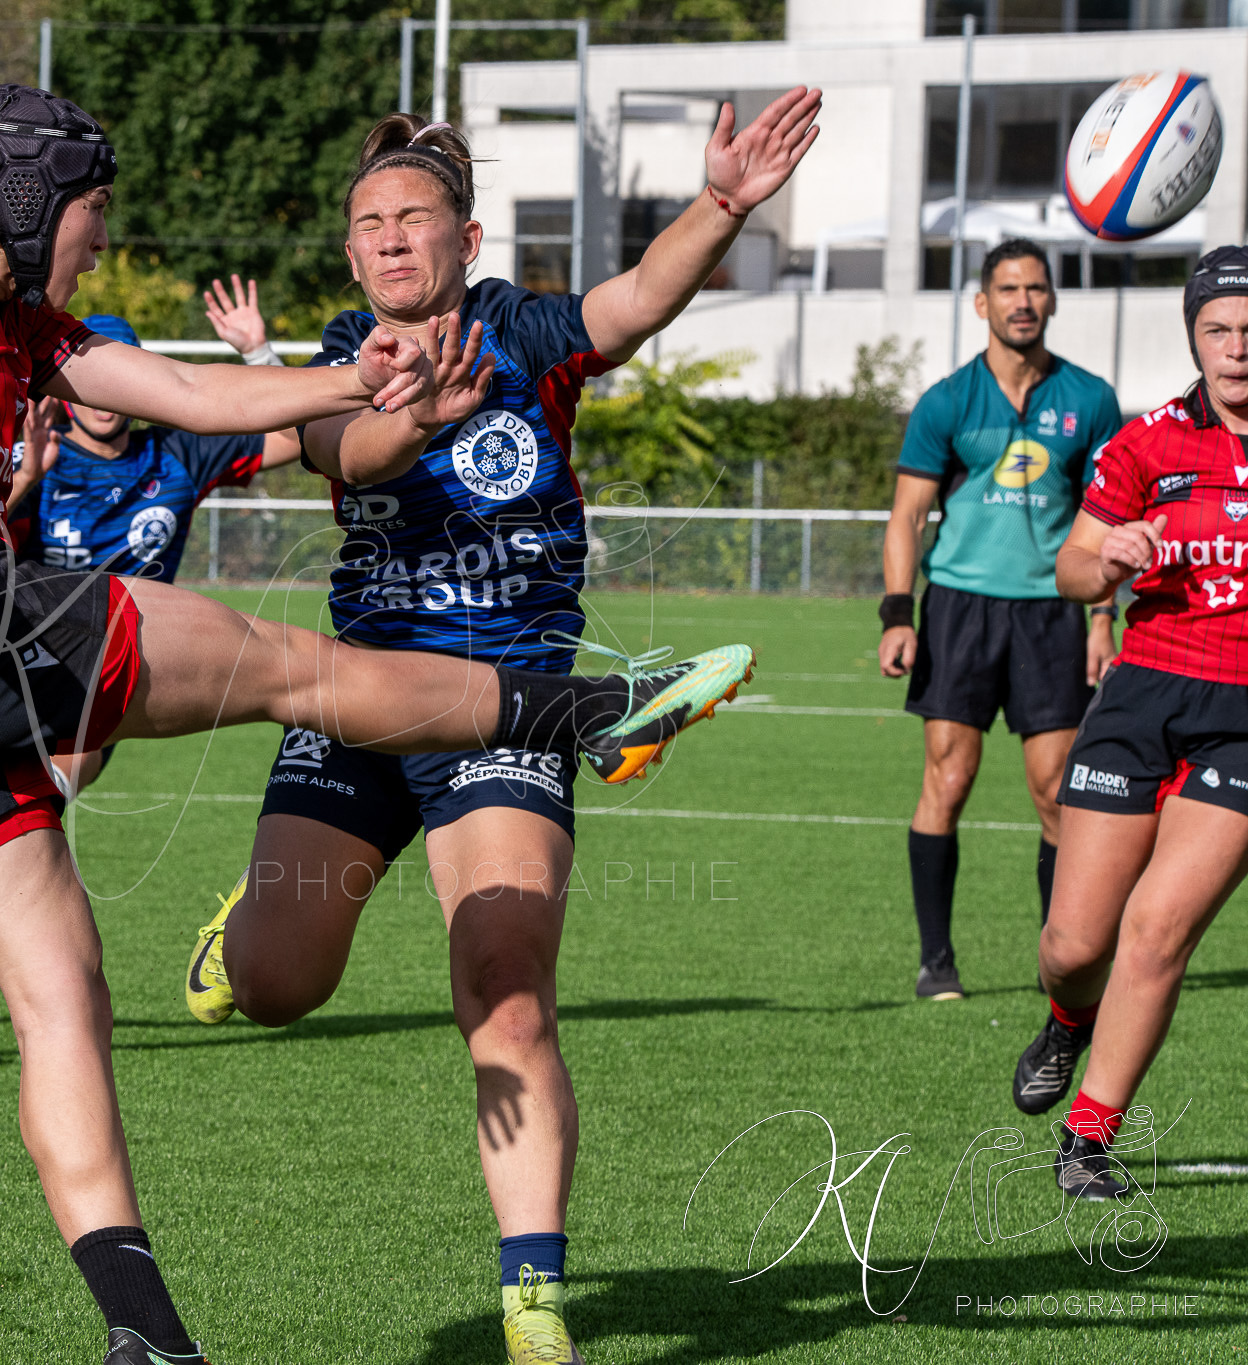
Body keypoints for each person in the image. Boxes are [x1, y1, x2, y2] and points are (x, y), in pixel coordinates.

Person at [0, 83, 756, 1365]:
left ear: (466, 238)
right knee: (297, 689)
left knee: (75, 1004)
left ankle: (160, 1336)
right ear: (30, 207)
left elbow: (183, 394)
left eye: (414, 218)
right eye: (89, 214)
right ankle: (591, 708)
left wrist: (331, 376)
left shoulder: (28, 323)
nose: (96, 239)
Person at [178, 92, 819, 1365]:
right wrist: (410, 414)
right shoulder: (344, 346)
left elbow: (635, 301)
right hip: (361, 703)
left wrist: (725, 204)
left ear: (463, 238)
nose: (389, 239)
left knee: (506, 992)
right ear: (351, 252)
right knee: (279, 986)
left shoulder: (523, 332)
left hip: (510, 705)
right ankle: (233, 934)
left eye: (413, 218)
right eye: (368, 224)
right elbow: (337, 453)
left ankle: (533, 1298)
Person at [0, 301, 302, 1057]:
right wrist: (21, 481)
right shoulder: (35, 453)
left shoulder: (176, 455)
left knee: (26, 815)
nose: (105, 400)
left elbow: (293, 437)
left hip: (90, 685)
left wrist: (258, 352)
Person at [1011, 247, 1248, 1201]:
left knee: (1157, 927)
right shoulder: (1147, 443)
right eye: (1219, 331)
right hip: (1141, 696)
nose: (1238, 349)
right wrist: (1107, 554)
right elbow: (1068, 570)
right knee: (1073, 946)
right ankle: (1069, 1022)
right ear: (1194, 337)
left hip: (1242, 717)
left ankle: (1088, 1138)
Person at [877, 238, 1122, 1002]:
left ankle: (1063, 961)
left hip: (1053, 612)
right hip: (957, 609)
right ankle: (935, 962)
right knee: (947, 780)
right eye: (1008, 289)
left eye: (1036, 289)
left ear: (1052, 301)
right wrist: (897, 613)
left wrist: (1103, 618)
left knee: (1057, 793)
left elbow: (1111, 516)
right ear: (982, 304)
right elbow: (907, 515)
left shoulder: (1092, 399)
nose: (1023, 301)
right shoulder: (948, 401)